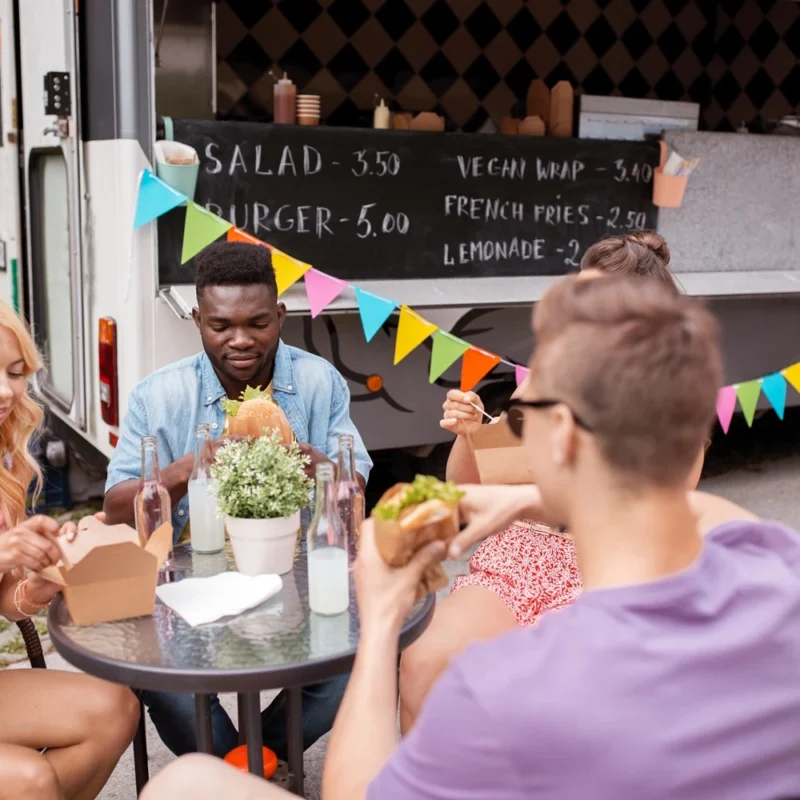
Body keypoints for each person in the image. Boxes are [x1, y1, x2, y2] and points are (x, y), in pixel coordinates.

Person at [140, 273, 800, 799]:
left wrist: (382, 621)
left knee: (185, 786)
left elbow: (356, 791)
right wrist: (531, 497)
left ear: (563, 433)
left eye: (525, 409)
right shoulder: (776, 572)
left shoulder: (504, 687)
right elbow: (710, 514)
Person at [398, 230, 685, 731]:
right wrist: (470, 436)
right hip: (519, 557)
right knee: (424, 660)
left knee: (548, 693)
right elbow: (469, 490)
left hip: (605, 573)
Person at [103, 241, 372, 760]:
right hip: (183, 582)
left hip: (297, 574)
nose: (240, 340)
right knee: (165, 682)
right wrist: (191, 465)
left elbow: (354, 490)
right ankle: (242, 773)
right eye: (221, 325)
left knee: (358, 661)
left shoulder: (318, 382)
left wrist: (298, 454)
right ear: (198, 320)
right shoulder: (158, 396)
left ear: (281, 316)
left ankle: (250, 765)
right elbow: (116, 507)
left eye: (258, 323)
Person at [0, 300, 139, 799]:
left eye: (15, 373)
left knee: (116, 708)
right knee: (29, 778)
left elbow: (8, 600)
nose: (6, 390)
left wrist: (41, 576)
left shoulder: (6, 467)